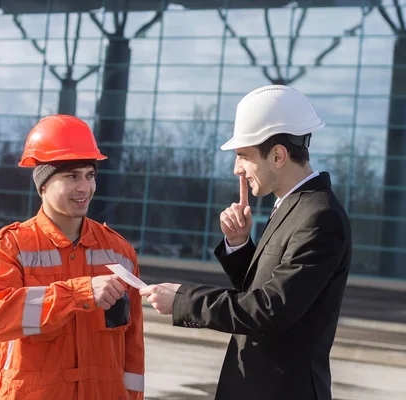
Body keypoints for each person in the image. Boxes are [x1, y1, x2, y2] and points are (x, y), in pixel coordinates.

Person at [140, 85, 352, 400]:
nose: (237, 169)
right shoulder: (295, 208)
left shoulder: (320, 217)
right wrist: (239, 245)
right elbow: (266, 292)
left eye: (243, 156)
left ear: (278, 155)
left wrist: (185, 300)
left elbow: (270, 310)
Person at [0, 114, 145, 400]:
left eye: (90, 175)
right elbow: (0, 319)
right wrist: (79, 293)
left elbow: (133, 350)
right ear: (43, 184)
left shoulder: (120, 252)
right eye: (71, 176)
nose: (84, 188)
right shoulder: (9, 247)